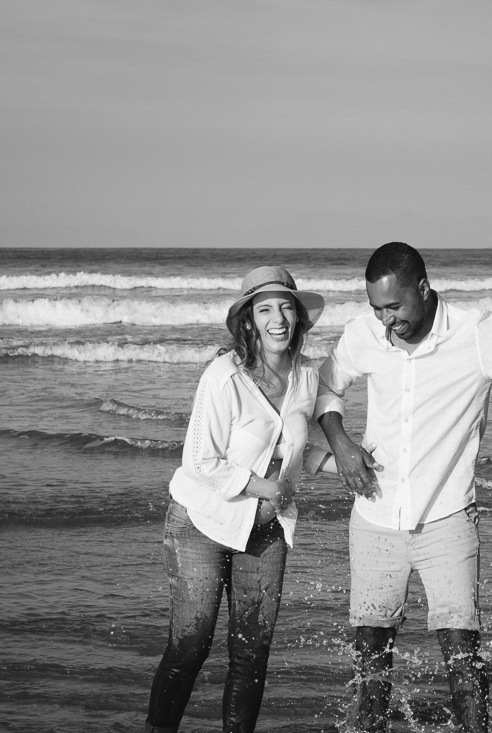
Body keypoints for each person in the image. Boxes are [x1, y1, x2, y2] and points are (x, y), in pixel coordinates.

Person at [315, 242, 492, 733]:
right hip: (374, 520)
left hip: (448, 520)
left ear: (423, 287)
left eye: (394, 307)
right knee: (371, 665)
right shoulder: (362, 335)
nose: (386, 321)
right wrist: (341, 441)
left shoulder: (475, 333)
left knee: (463, 660)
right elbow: (327, 388)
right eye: (377, 310)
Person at [145, 266, 337, 733]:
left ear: (299, 318)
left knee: (252, 653)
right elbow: (199, 461)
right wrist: (262, 486)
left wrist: (350, 465)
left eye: (286, 307)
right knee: (191, 645)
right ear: (248, 320)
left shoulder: (306, 380)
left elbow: (296, 450)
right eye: (265, 309)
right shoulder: (224, 377)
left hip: (265, 530)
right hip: (201, 523)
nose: (278, 319)